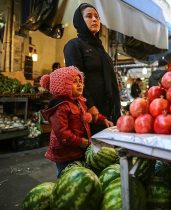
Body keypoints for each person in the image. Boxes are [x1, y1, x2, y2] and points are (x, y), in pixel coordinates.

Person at [40, 66, 113, 177]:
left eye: (80, 81)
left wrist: (103, 120)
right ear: (62, 86)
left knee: (78, 176)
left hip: (78, 151)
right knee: (66, 176)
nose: (80, 84)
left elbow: (88, 114)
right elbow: (62, 133)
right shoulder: (60, 107)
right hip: (65, 153)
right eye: (74, 82)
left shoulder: (79, 101)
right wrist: (81, 142)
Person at [64, 3, 121, 135]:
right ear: (80, 21)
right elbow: (76, 80)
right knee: (91, 150)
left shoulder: (102, 51)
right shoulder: (74, 46)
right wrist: (89, 105)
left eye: (97, 17)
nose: (95, 19)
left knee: (107, 152)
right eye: (89, 16)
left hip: (108, 111)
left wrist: (116, 110)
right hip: (89, 112)